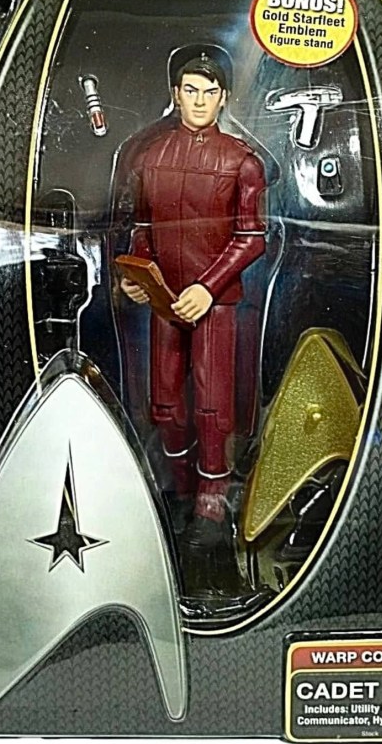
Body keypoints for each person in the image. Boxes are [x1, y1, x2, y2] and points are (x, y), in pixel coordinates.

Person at [121, 45, 267, 547]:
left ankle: (212, 496)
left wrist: (209, 287)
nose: (200, 99)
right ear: (175, 94)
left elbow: (252, 237)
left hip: (215, 303)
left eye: (209, 90)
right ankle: (179, 488)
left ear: (223, 97)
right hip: (165, 298)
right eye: (190, 90)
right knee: (165, 403)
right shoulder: (151, 157)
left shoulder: (242, 162)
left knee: (212, 404)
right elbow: (143, 228)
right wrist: (137, 273)